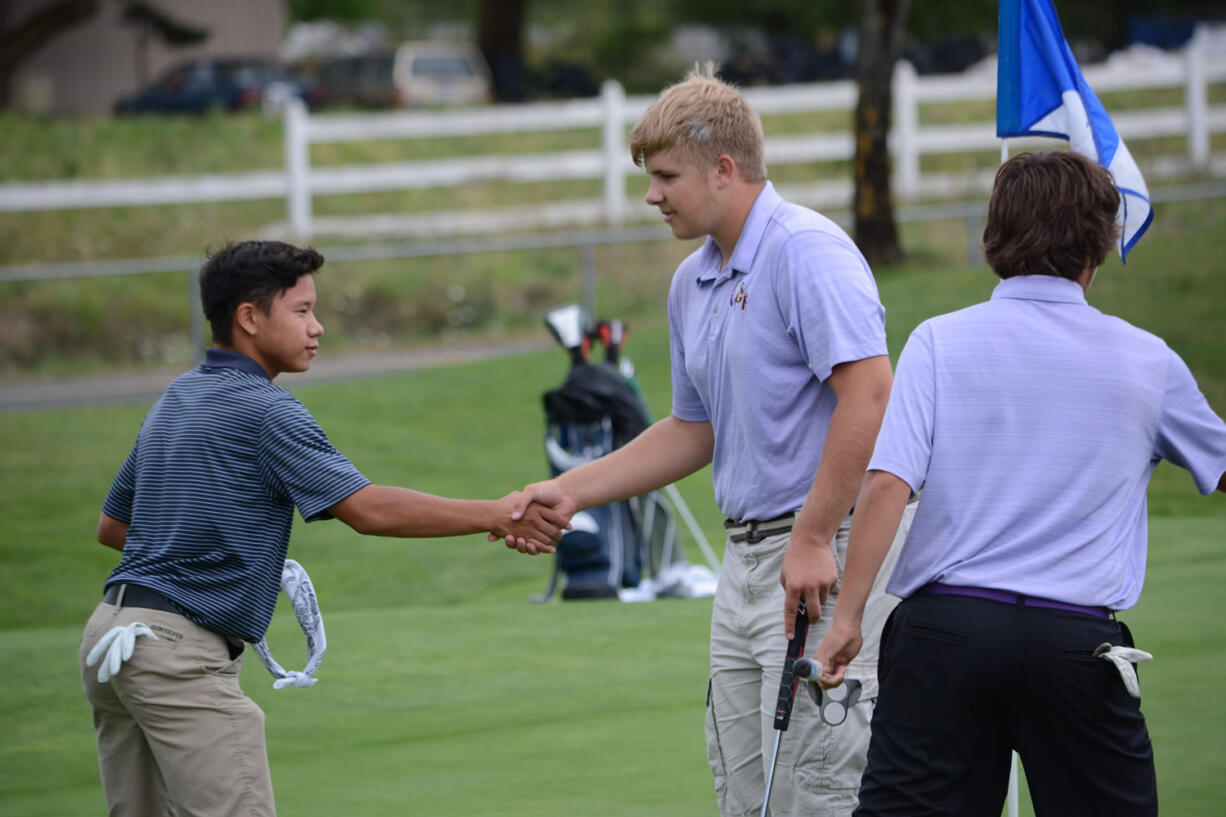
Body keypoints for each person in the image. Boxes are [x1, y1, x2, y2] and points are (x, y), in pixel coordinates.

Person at [513, 66, 912, 816]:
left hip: (822, 558)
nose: (651, 194)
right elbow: (693, 431)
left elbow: (871, 393)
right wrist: (572, 490)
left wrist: (814, 533)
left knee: (815, 792)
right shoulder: (691, 280)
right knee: (744, 792)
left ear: (723, 169)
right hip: (745, 565)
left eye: (665, 176)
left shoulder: (806, 251)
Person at [79, 240, 567, 817]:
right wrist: (497, 511)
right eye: (303, 311)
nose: (319, 327)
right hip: (176, 656)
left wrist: (227, 546)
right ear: (249, 318)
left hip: (111, 638)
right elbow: (368, 510)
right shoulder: (266, 408)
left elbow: (116, 527)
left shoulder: (178, 396)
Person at [812, 150, 1226, 817]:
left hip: (943, 634)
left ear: (992, 237)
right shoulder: (1150, 360)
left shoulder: (938, 340)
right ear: (1100, 243)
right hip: (1076, 645)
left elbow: (888, 484)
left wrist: (850, 618)